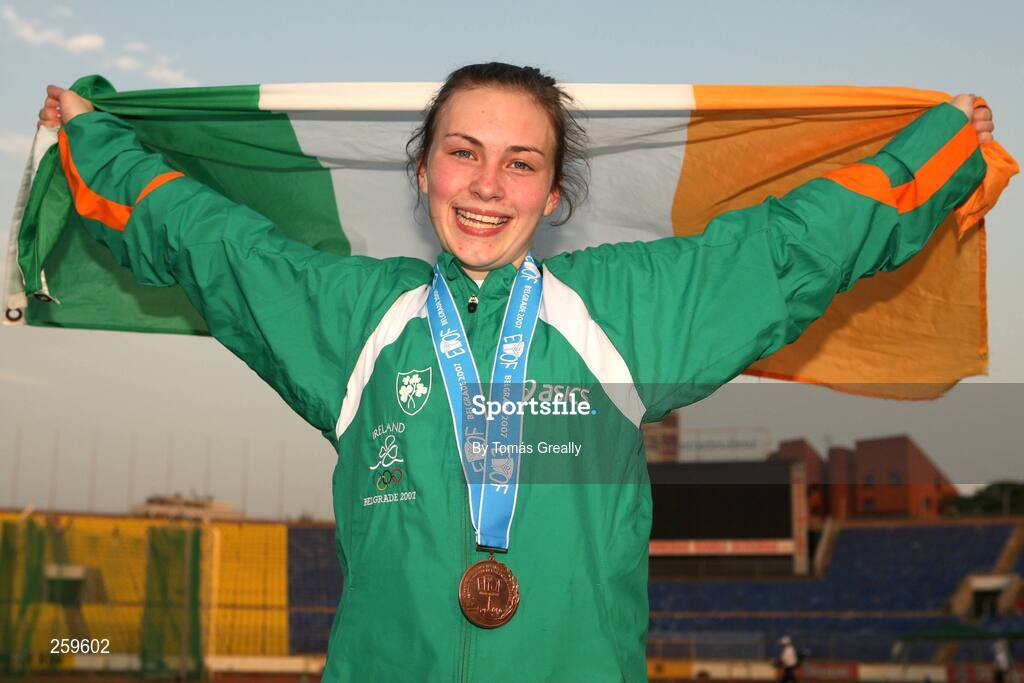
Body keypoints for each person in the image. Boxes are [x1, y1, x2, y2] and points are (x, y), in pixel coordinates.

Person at [37, 63, 994, 682]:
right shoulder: (357, 321)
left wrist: (937, 144)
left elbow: (791, 248)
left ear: (554, 191)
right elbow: (213, 244)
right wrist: (92, 139)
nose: (489, 186)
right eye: (463, 153)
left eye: (521, 162)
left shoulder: (620, 312)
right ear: (422, 171)